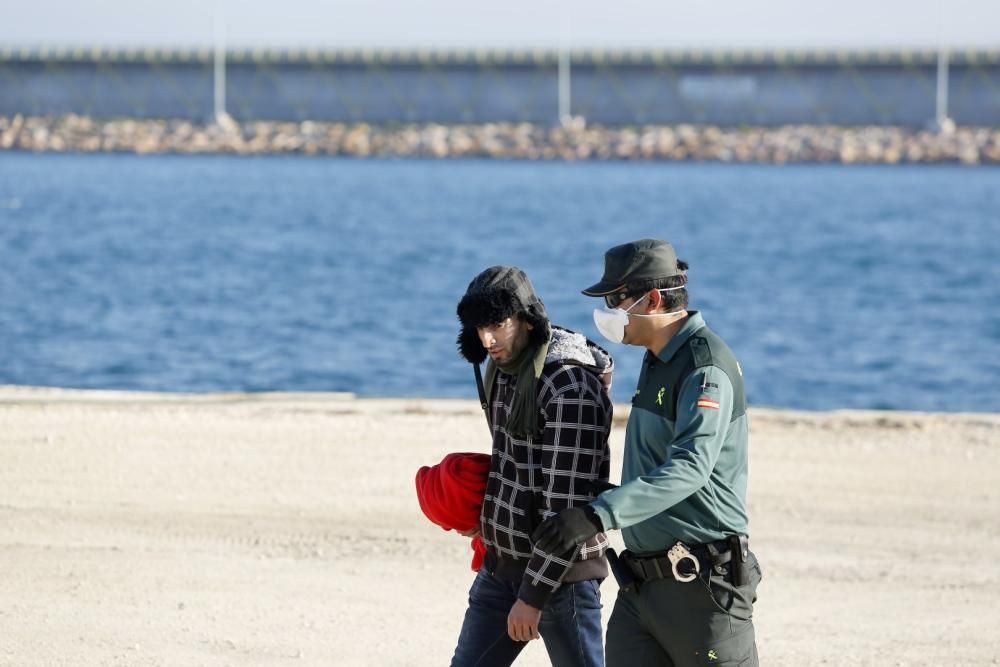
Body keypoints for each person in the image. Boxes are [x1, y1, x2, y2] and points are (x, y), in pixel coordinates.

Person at [533, 239, 762, 667]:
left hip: (702, 588)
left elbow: (690, 468)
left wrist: (598, 514)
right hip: (641, 589)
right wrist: (591, 493)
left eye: (615, 299)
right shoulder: (657, 356)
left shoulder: (703, 365)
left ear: (652, 299)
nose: (607, 311)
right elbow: (655, 467)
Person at [450, 265, 615, 667]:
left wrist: (531, 596)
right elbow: (512, 467)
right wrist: (484, 519)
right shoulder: (504, 368)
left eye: (497, 324)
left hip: (563, 580)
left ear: (525, 319)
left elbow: (566, 508)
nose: (486, 339)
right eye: (478, 328)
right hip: (502, 566)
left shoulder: (569, 387)